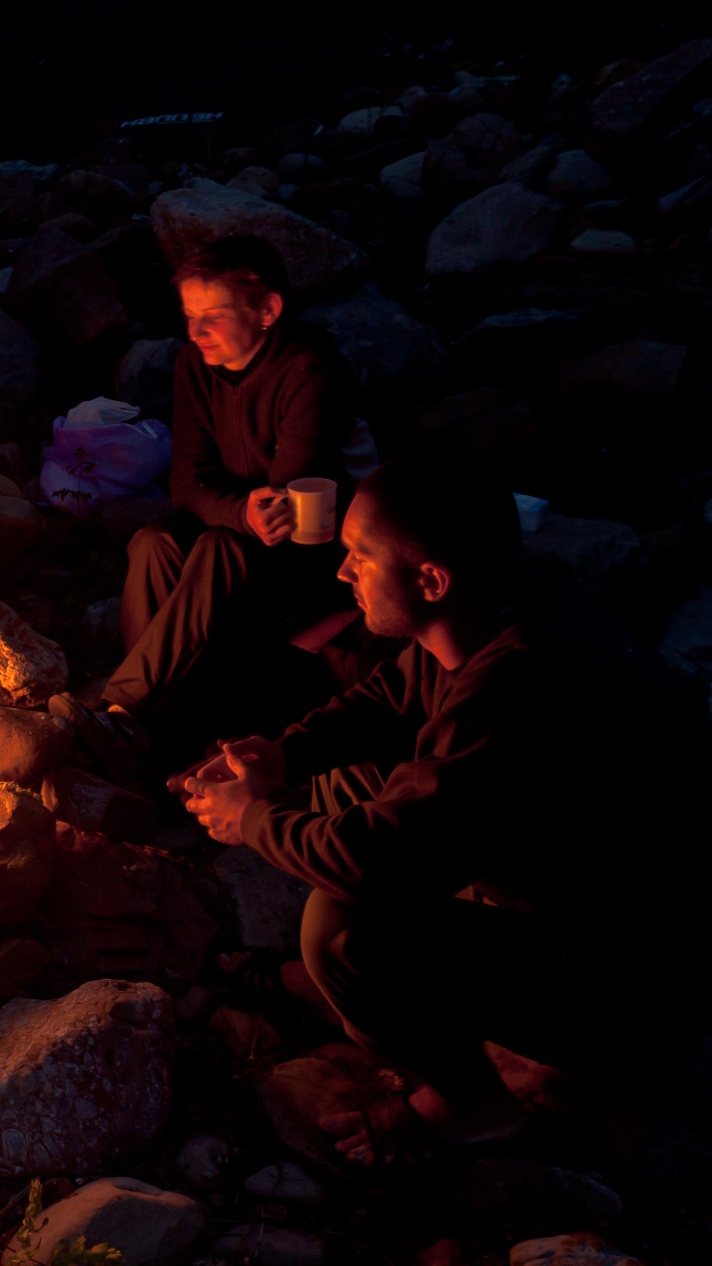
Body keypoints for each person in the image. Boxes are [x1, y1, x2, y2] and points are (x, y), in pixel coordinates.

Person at [177, 461, 704, 1166]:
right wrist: (278, 759)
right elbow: (386, 696)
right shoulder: (493, 609)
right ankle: (406, 998)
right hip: (570, 885)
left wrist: (252, 820)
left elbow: (370, 863)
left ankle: (471, 1104)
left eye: (360, 556)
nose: (341, 573)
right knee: (346, 792)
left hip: (644, 985)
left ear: (431, 580)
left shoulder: (515, 687)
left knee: (341, 929)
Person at [103, 236, 360, 732]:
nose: (197, 331)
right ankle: (147, 717)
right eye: (190, 315)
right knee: (153, 542)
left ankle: (124, 711)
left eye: (213, 316)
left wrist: (239, 516)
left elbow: (289, 498)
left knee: (222, 548)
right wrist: (238, 511)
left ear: (267, 310)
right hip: (240, 527)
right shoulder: (194, 365)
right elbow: (187, 480)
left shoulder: (309, 369)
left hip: (315, 551)